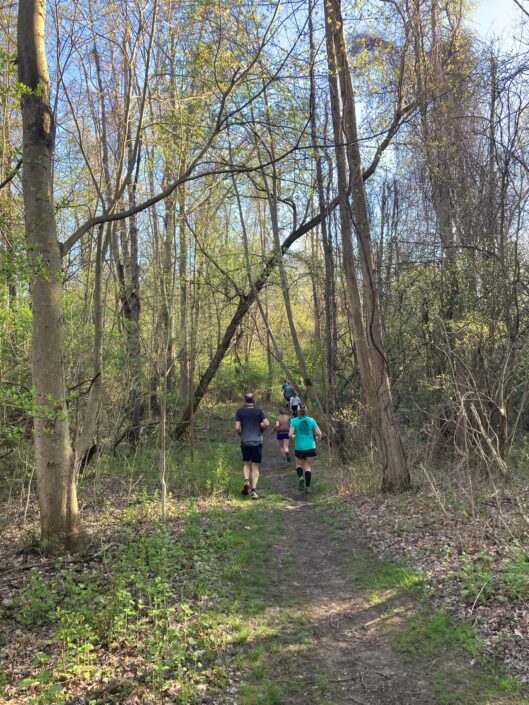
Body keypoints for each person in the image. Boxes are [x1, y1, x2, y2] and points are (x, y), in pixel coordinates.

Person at [235, 393, 269, 499]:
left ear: (245, 401)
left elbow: (237, 427)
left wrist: (241, 434)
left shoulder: (240, 411)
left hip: (245, 441)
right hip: (257, 441)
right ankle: (253, 491)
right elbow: (267, 423)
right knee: (255, 466)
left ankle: (246, 480)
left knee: (246, 463)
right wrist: (261, 428)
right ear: (254, 400)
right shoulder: (259, 410)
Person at [289, 404, 322, 494]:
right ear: (306, 410)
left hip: (299, 447)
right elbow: (319, 433)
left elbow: (290, 434)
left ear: (297, 411)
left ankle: (301, 477)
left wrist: (293, 436)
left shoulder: (294, 421)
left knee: (299, 465)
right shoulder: (311, 420)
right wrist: (318, 438)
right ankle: (308, 487)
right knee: (307, 466)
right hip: (311, 447)